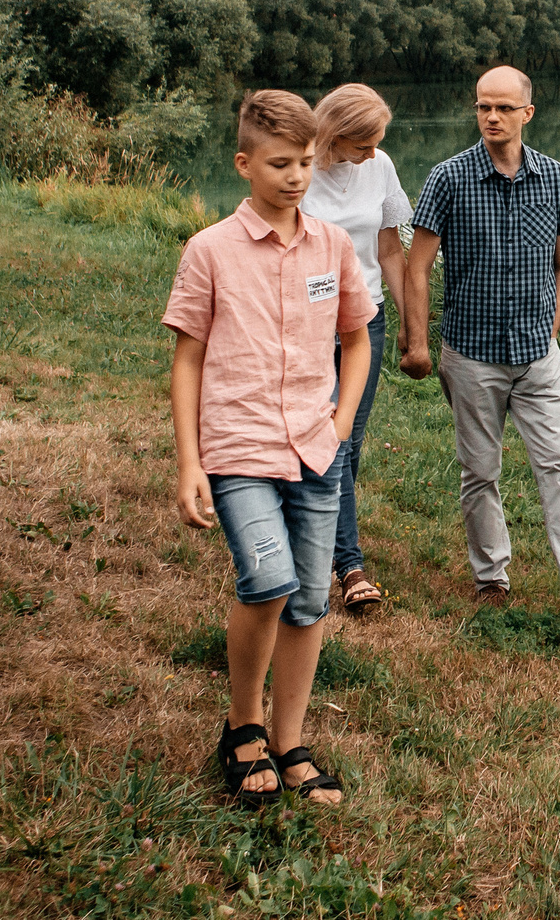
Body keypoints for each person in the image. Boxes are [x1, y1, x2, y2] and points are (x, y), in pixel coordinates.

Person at [166, 90, 374, 807]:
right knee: (267, 578)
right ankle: (242, 725)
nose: (296, 176)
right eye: (280, 163)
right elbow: (188, 357)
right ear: (244, 163)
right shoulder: (211, 250)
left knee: (310, 601)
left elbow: (356, 335)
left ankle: (290, 741)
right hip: (239, 447)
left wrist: (343, 418)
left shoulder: (332, 245)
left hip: (318, 449)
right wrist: (190, 461)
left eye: (307, 162)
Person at [403, 65, 560, 630]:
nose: (491, 117)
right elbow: (417, 267)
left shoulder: (555, 178)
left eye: (504, 108)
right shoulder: (449, 178)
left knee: (559, 465)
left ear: (526, 114)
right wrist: (418, 343)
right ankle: (491, 580)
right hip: (472, 354)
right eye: (484, 106)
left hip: (538, 357)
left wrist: (550, 331)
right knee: (480, 471)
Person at [301, 83, 417, 616]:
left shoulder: (381, 166)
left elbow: (389, 249)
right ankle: (350, 566)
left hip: (363, 323)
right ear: (332, 134)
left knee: (349, 439)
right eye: (361, 144)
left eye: (377, 143)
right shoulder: (299, 170)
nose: (371, 154)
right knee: (333, 441)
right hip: (306, 327)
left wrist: (413, 324)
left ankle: (317, 531)